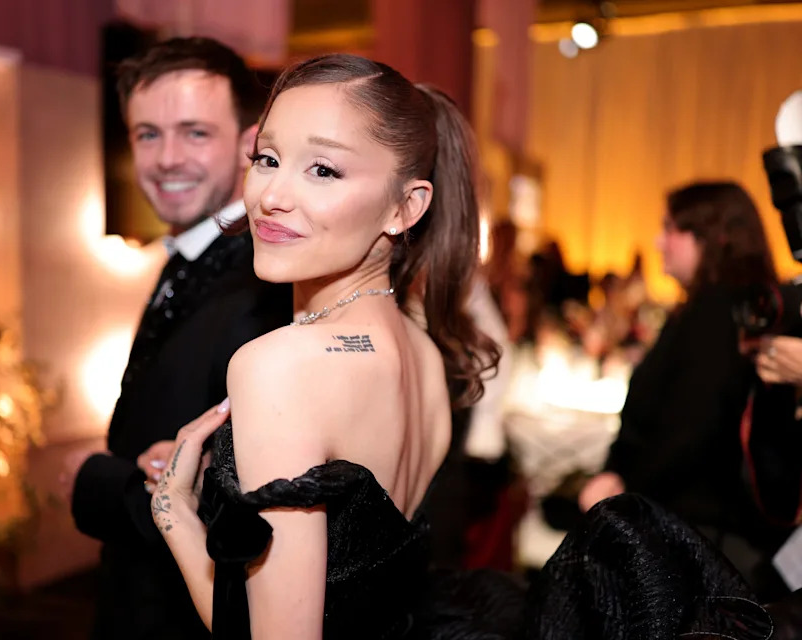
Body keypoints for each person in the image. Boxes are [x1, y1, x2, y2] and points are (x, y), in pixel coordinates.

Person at [144, 55, 781, 639]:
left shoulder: (278, 365)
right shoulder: (423, 350)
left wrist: (174, 512)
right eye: (267, 159)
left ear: (406, 206)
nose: (272, 196)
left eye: (323, 169)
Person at [69, 37, 291, 640]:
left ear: (250, 143)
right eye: (147, 134)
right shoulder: (189, 258)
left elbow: (241, 511)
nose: (166, 157)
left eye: (195, 132)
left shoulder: (263, 284)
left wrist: (94, 481)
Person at [579, 181, 786, 593]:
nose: (659, 242)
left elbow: (690, 430)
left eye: (670, 228)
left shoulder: (716, 312)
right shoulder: (731, 308)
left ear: (710, 237)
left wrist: (623, 490)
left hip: (693, 535)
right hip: (701, 529)